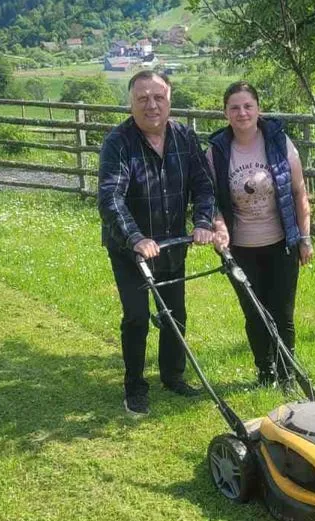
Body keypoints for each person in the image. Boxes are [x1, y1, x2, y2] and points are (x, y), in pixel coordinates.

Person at [98, 70, 226, 417]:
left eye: (158, 98)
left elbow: (203, 185)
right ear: (131, 103)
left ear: (169, 100)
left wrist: (202, 222)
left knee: (175, 315)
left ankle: (173, 376)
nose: (151, 105)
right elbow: (111, 197)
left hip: (171, 243)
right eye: (143, 99)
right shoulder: (118, 143)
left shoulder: (184, 137)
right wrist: (136, 238)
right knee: (137, 317)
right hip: (130, 249)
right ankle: (135, 387)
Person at [206, 81, 313, 387]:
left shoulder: (280, 143)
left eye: (247, 106)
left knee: (282, 313)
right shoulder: (216, 152)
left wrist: (304, 237)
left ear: (258, 109)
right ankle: (265, 372)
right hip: (241, 248)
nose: (242, 113)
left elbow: (298, 191)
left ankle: (286, 373)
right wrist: (218, 227)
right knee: (255, 313)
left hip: (283, 245)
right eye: (234, 108)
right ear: (226, 113)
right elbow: (209, 198)